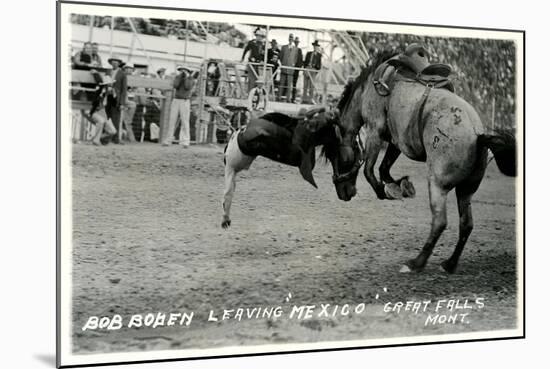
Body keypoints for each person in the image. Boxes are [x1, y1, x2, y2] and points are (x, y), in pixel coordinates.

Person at [162, 65, 198, 147]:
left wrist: (186, 78)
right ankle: (168, 140)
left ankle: (185, 141)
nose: (182, 72)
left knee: (185, 121)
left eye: (184, 70)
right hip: (176, 100)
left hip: (185, 100)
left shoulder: (191, 79)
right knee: (172, 120)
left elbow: (187, 86)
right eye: (181, 70)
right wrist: (179, 77)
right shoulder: (177, 77)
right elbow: (175, 85)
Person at [85, 72, 116, 145]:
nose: (110, 86)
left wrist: (113, 96)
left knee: (113, 131)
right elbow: (94, 102)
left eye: (110, 84)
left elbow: (114, 104)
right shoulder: (99, 91)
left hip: (104, 113)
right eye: (108, 84)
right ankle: (96, 140)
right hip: (95, 111)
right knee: (101, 121)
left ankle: (97, 139)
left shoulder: (110, 94)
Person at [105, 55, 127, 144]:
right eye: (113, 61)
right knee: (106, 117)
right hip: (107, 96)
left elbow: (124, 89)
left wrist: (122, 103)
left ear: (119, 63)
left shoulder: (122, 74)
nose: (114, 63)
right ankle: (106, 137)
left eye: (116, 61)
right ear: (111, 63)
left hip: (116, 98)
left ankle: (115, 138)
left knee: (116, 119)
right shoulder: (107, 72)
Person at [241, 28, 266, 92]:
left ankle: (255, 92)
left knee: (257, 79)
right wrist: (243, 58)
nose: (259, 38)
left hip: (258, 64)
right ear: (256, 36)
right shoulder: (252, 42)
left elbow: (263, 54)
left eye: (261, 36)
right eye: (258, 36)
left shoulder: (263, 45)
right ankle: (250, 92)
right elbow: (246, 50)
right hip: (252, 63)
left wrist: (262, 60)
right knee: (251, 79)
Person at [278, 33, 300, 102]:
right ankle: (279, 97)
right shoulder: (284, 47)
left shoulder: (295, 49)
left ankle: (288, 98)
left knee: (289, 85)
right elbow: (280, 57)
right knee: (281, 83)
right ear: (288, 39)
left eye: (292, 39)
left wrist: (292, 64)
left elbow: (295, 58)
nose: (290, 40)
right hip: (284, 68)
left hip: (291, 69)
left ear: (293, 40)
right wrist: (283, 64)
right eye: (290, 38)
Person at [291, 36, 303, 103]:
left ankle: (293, 98)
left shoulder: (299, 50)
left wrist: (299, 67)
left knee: (294, 84)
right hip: (290, 68)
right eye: (295, 42)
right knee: (288, 83)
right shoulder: (291, 48)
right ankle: (287, 97)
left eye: (297, 42)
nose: (296, 43)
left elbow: (300, 60)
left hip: (296, 69)